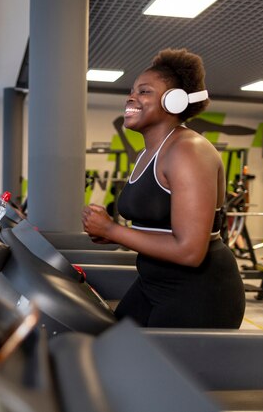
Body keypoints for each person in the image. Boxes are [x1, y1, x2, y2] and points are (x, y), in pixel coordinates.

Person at [82, 48, 245, 329]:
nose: (131, 98)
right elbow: (161, 227)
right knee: (110, 346)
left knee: (137, 365)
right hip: (153, 283)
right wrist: (114, 235)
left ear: (175, 101)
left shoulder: (187, 150)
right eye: (132, 91)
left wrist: (112, 230)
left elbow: (190, 251)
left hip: (199, 293)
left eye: (144, 92)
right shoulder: (149, 153)